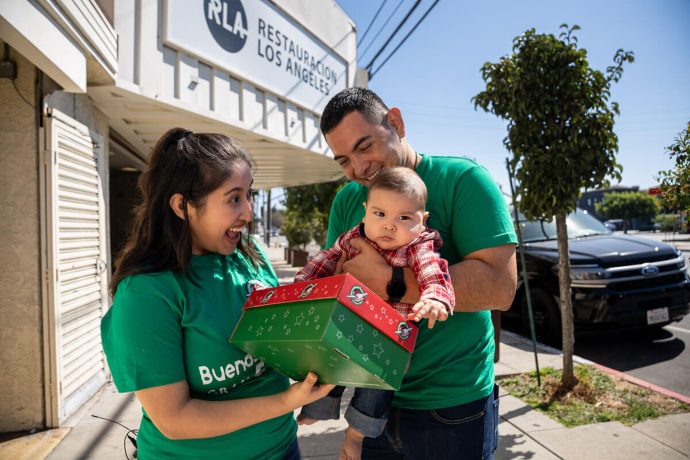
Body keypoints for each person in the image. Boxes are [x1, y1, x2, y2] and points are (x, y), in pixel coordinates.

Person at [299, 88, 518, 460]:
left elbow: (501, 287)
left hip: (451, 407)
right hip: (369, 403)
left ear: (396, 123)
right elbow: (334, 282)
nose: (359, 168)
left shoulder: (464, 179)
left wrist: (390, 281)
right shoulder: (348, 200)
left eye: (364, 146)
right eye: (344, 161)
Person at [101, 128, 334, 460]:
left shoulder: (250, 253)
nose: (249, 212)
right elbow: (174, 419)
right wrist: (287, 401)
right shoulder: (147, 292)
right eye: (233, 198)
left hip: (282, 448)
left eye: (249, 194)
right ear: (183, 206)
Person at [295, 167, 455, 453]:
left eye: (404, 217)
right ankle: (316, 408)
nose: (389, 226)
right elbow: (326, 260)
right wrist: (304, 284)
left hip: (390, 337)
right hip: (350, 321)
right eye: (379, 214)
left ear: (423, 220)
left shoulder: (418, 246)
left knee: (377, 386)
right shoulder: (354, 238)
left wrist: (435, 299)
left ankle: (357, 434)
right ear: (366, 210)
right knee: (329, 363)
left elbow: (434, 273)